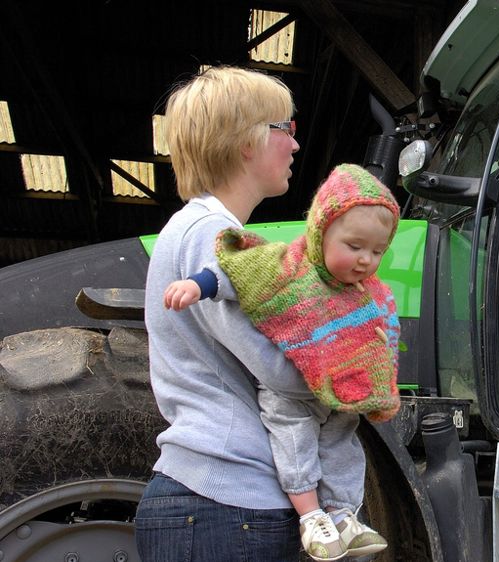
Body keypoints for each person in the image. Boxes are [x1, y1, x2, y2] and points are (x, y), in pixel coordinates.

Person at [137, 66, 387, 562]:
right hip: (225, 505)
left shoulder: (202, 231)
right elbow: (284, 374)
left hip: (214, 504)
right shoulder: (213, 238)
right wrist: (358, 364)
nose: (296, 145)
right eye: (286, 129)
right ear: (246, 141)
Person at [162, 163, 401, 560]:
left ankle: (343, 514)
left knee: (344, 448)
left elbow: (384, 340)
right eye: (354, 246)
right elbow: (237, 271)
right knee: (294, 442)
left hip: (342, 394)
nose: (365, 260)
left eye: (377, 251)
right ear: (321, 231)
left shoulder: (372, 292)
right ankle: (311, 517)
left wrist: (382, 388)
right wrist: (197, 285)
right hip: (291, 395)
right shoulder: (290, 266)